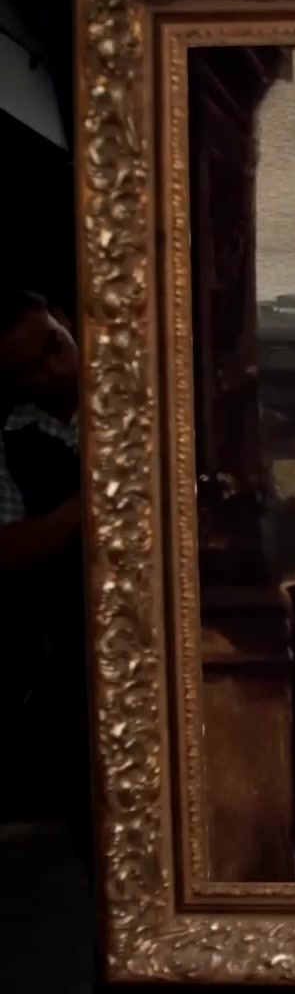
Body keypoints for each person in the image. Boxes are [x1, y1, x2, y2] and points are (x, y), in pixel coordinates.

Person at [0, 289, 89, 856]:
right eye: (30, 368)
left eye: (55, 346)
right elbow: (8, 552)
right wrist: (95, 497)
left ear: (66, 321)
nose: (54, 370)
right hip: (75, 658)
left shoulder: (144, 395)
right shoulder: (11, 443)